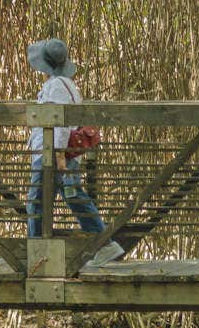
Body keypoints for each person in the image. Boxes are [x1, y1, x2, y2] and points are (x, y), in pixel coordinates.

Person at [24, 38, 125, 265]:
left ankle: (36, 253)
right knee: (72, 197)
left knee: (37, 202)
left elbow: (58, 120)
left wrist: (58, 154)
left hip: (52, 154)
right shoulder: (65, 83)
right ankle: (103, 244)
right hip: (56, 153)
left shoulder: (57, 85)